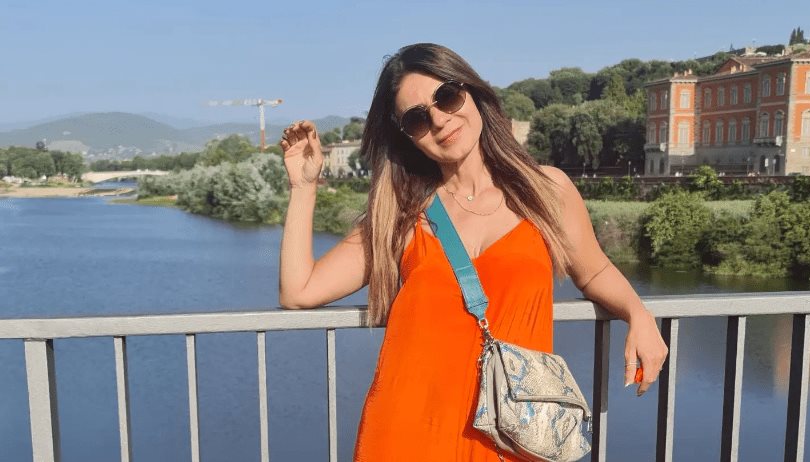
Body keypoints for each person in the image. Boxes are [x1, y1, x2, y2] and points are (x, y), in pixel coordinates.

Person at [278, 43, 668, 461]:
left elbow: (593, 272)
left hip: (510, 435)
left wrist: (638, 314)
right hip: (405, 435)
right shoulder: (400, 214)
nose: (439, 120)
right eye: (417, 118)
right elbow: (300, 290)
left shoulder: (545, 191)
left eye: (447, 96)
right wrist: (304, 187)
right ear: (407, 137)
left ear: (472, 92)